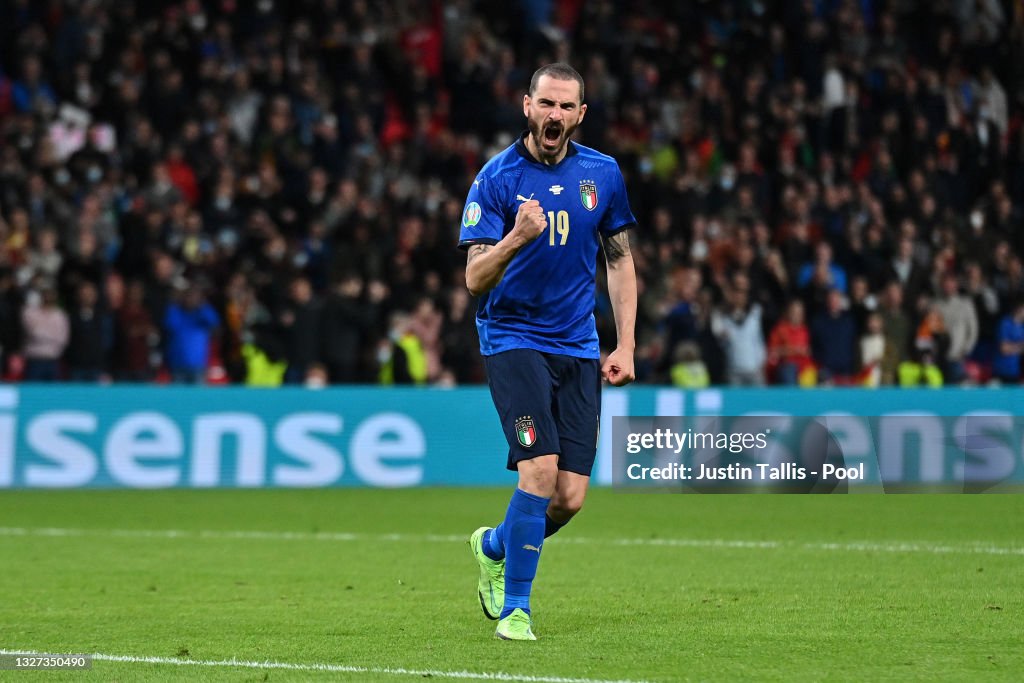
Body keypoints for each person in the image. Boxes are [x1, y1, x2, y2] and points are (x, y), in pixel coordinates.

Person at [460, 63, 637, 640]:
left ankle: (493, 545)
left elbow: (619, 259)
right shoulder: (495, 178)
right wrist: (515, 236)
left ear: (580, 115)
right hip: (513, 338)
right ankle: (516, 609)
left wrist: (625, 342)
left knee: (570, 497)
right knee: (537, 470)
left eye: (566, 107)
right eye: (546, 104)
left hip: (578, 344)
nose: (554, 115)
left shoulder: (603, 174)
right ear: (527, 106)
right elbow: (473, 278)